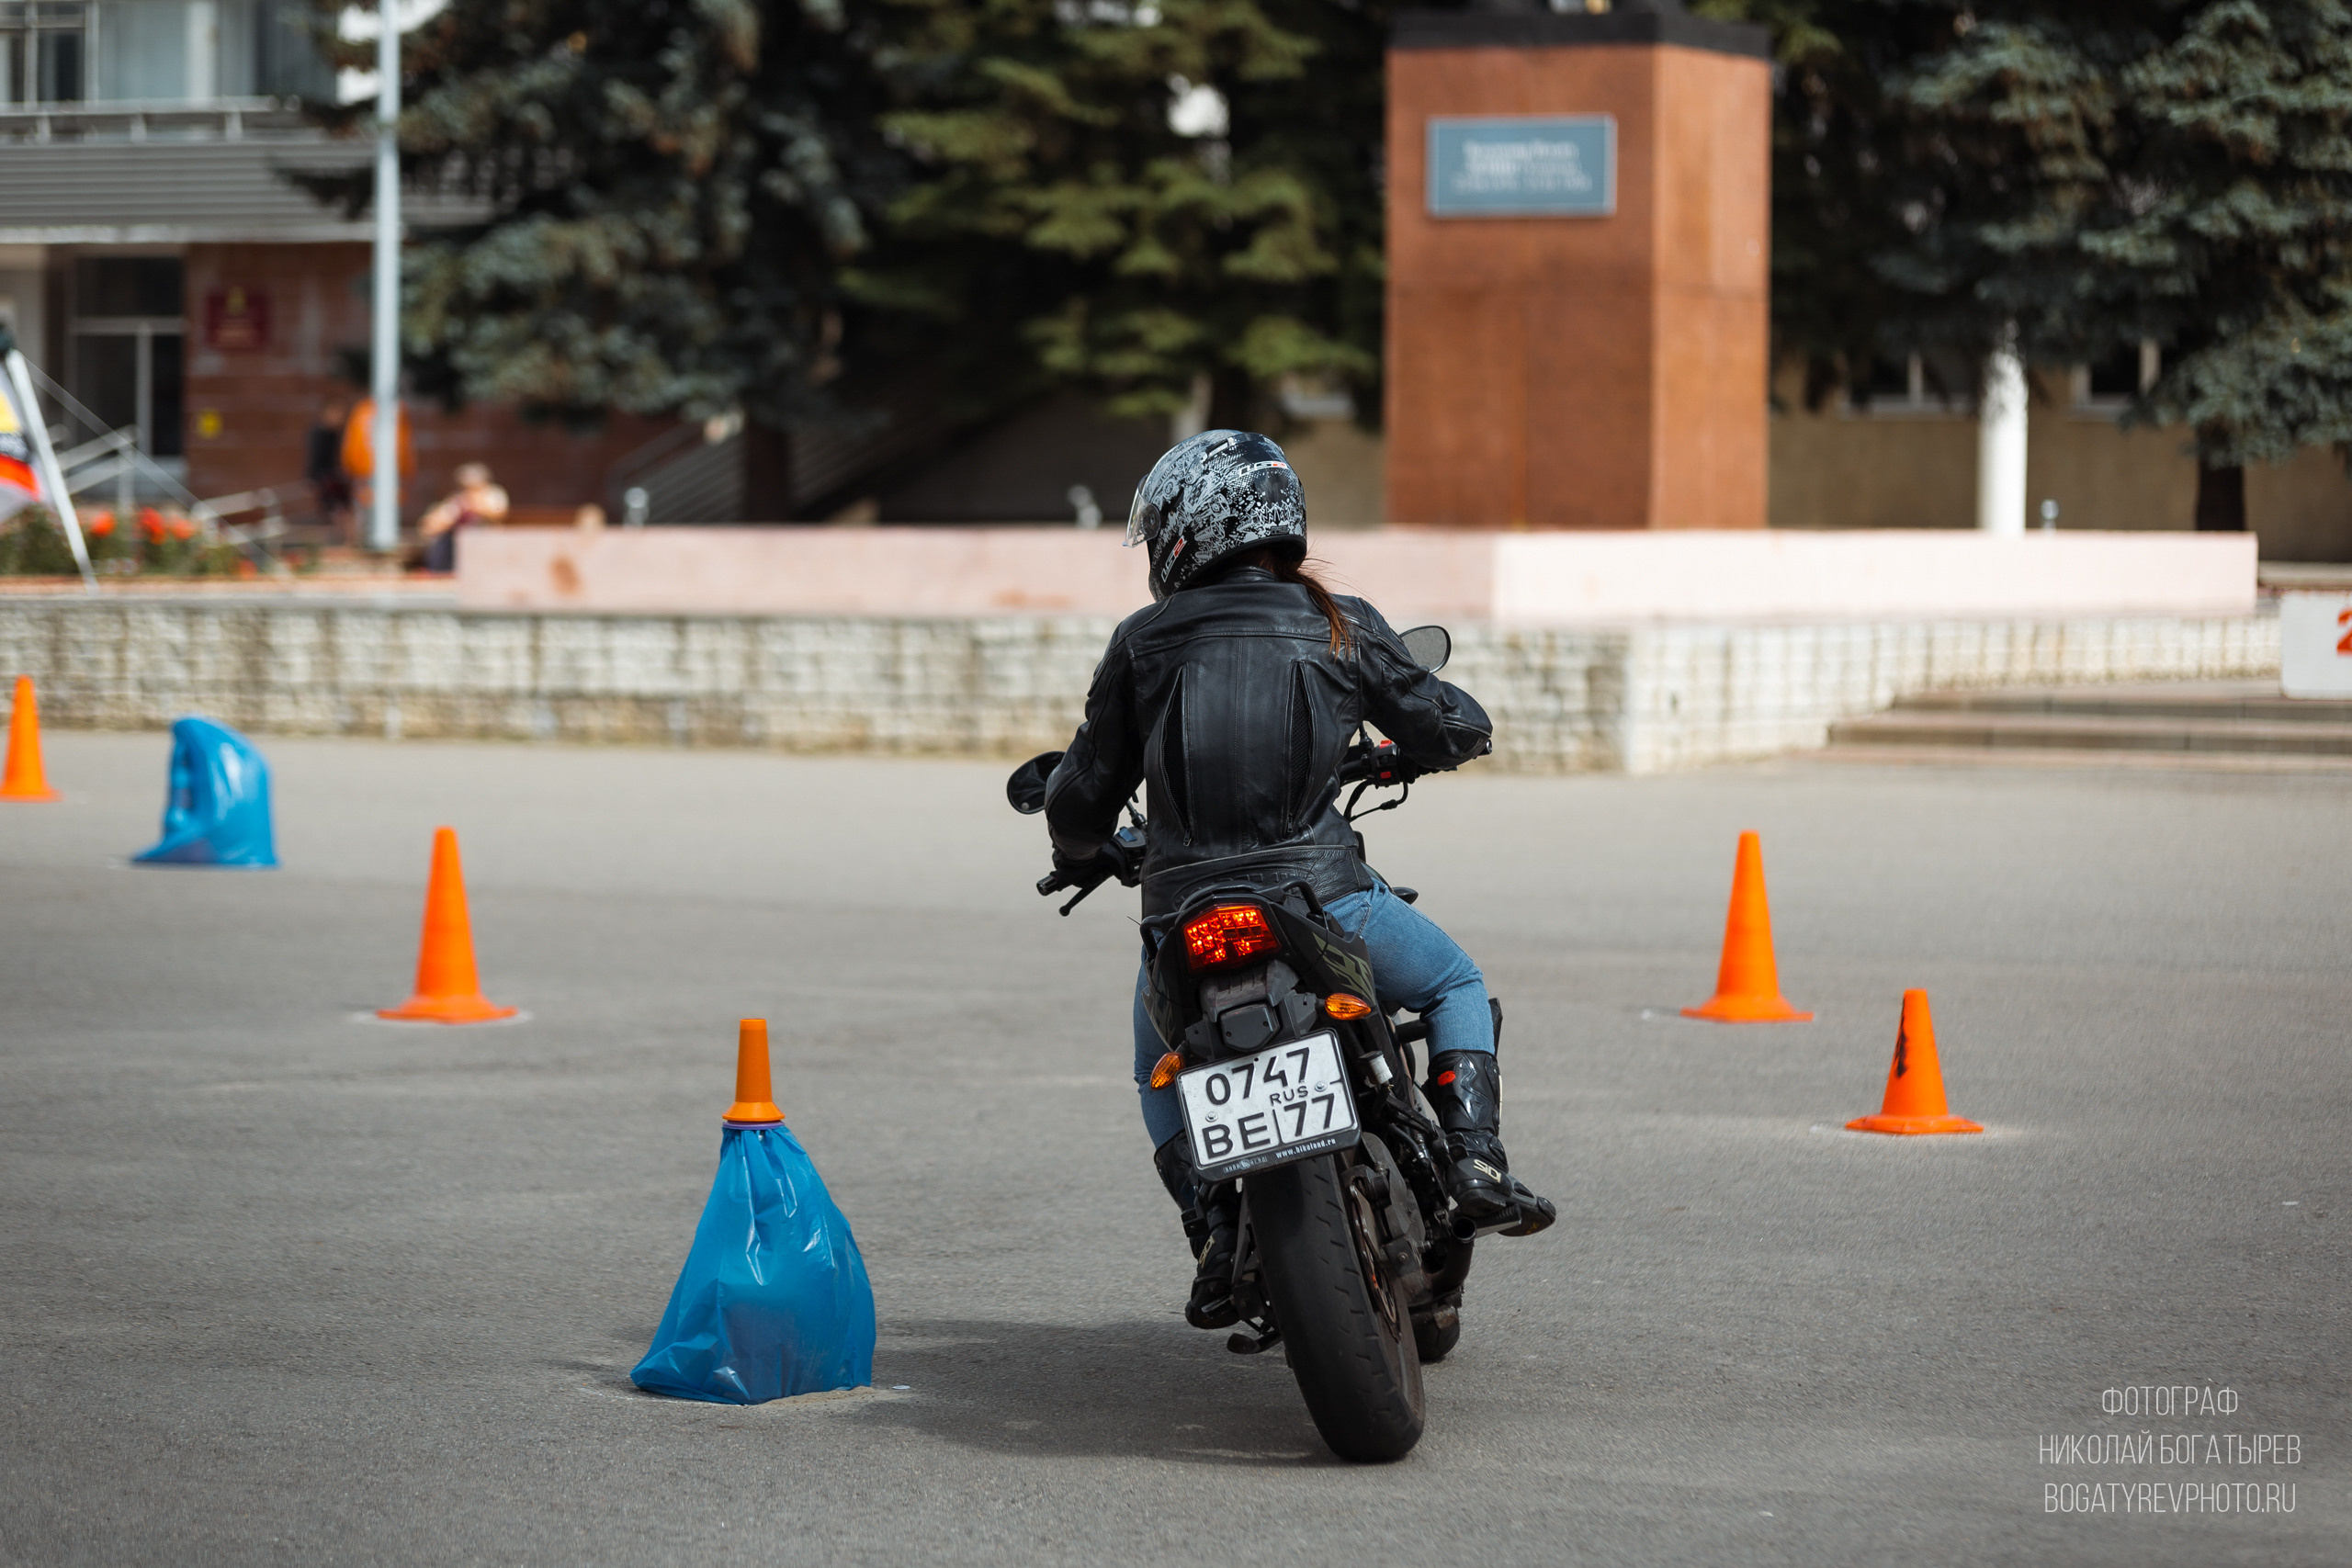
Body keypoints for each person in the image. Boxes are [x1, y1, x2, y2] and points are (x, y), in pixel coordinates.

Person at [1041, 429, 1555, 1328]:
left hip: (1183, 918)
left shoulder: (1141, 641)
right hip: (1326, 899)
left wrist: (1083, 853)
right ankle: (1474, 1158)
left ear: (1187, 530)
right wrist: (1423, 744)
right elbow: (1452, 725)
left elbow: (1081, 794)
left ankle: (1211, 1229)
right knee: (1453, 984)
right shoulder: (1337, 620)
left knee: (1159, 1072)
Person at [417, 462, 509, 573]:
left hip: (485, 542)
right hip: (460, 546)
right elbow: (440, 520)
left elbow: (498, 514)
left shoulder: (492, 494)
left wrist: (475, 506)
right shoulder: (458, 498)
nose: (469, 490)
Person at [306, 398, 353, 540]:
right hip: (326, 478)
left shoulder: (334, 434)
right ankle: (343, 539)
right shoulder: (320, 434)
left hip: (333, 477)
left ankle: (346, 539)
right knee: (335, 510)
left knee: (341, 510)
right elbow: (316, 458)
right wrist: (314, 478)